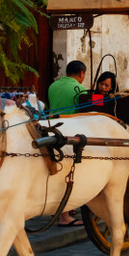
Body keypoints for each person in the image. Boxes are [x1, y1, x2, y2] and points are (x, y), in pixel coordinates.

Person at [47, 61, 87, 226]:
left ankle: (61, 211)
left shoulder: (53, 86)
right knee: (68, 175)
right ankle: (64, 216)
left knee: (56, 173)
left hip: (51, 131)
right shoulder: (81, 90)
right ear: (82, 73)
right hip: (70, 134)